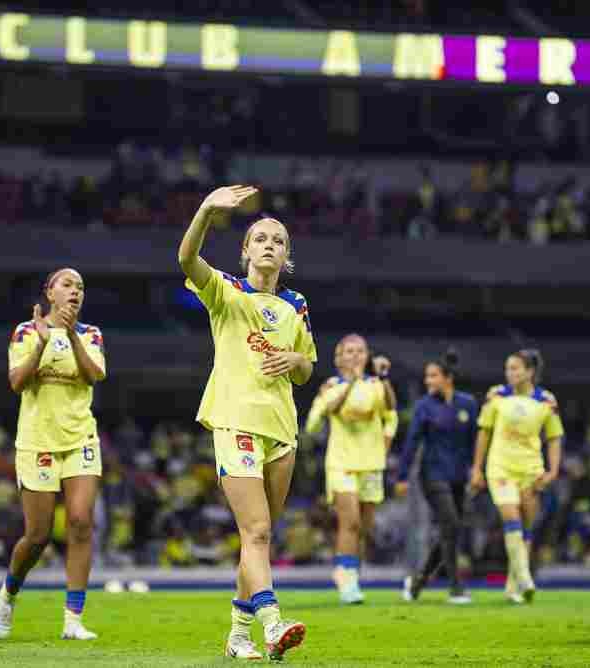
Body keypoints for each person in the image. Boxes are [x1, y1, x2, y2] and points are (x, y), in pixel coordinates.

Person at [178, 185, 317, 661]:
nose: (269, 245)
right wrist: (205, 212)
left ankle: (238, 635)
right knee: (255, 531)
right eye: (260, 238)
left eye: (278, 241)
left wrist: (297, 356)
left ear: (286, 257)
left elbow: (306, 371)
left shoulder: (296, 305)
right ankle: (272, 622)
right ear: (245, 251)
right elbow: (186, 259)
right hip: (235, 420)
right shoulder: (227, 292)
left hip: (282, 429)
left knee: (258, 537)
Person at [0, 267, 106, 641]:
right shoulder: (25, 332)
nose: (76, 291)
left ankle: (73, 619)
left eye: (81, 287)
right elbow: (16, 382)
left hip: (80, 439)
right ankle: (8, 594)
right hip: (38, 440)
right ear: (50, 293)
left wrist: (70, 335)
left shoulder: (90, 334)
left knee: (80, 522)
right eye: (68, 284)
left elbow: (94, 375)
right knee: (38, 535)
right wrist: (42, 343)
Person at [305, 334, 398, 604]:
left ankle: (350, 574)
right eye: (349, 351)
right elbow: (317, 420)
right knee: (351, 521)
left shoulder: (376, 385)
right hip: (341, 463)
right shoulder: (331, 386)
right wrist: (352, 383)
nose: (355, 356)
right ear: (338, 358)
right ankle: (344, 578)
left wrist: (383, 377)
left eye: (360, 351)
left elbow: (390, 410)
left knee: (364, 527)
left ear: (367, 356)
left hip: (370, 463)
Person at [469, 349, 563, 604]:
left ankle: (513, 586)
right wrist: (477, 468)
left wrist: (553, 470)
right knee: (510, 515)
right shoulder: (496, 395)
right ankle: (525, 578)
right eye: (508, 368)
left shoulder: (546, 400)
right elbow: (484, 432)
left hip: (531, 469)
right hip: (500, 467)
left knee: (526, 526)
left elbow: (554, 437)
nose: (509, 373)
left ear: (529, 372)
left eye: (515, 368)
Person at [395, 350, 478, 604]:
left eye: (433, 376)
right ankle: (456, 587)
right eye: (426, 376)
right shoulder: (424, 406)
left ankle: (419, 581)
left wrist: (477, 469)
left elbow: (476, 441)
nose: (428, 381)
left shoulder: (468, 404)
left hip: (459, 476)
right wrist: (402, 476)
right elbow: (412, 441)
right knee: (451, 525)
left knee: (449, 530)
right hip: (432, 475)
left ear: (448, 377)